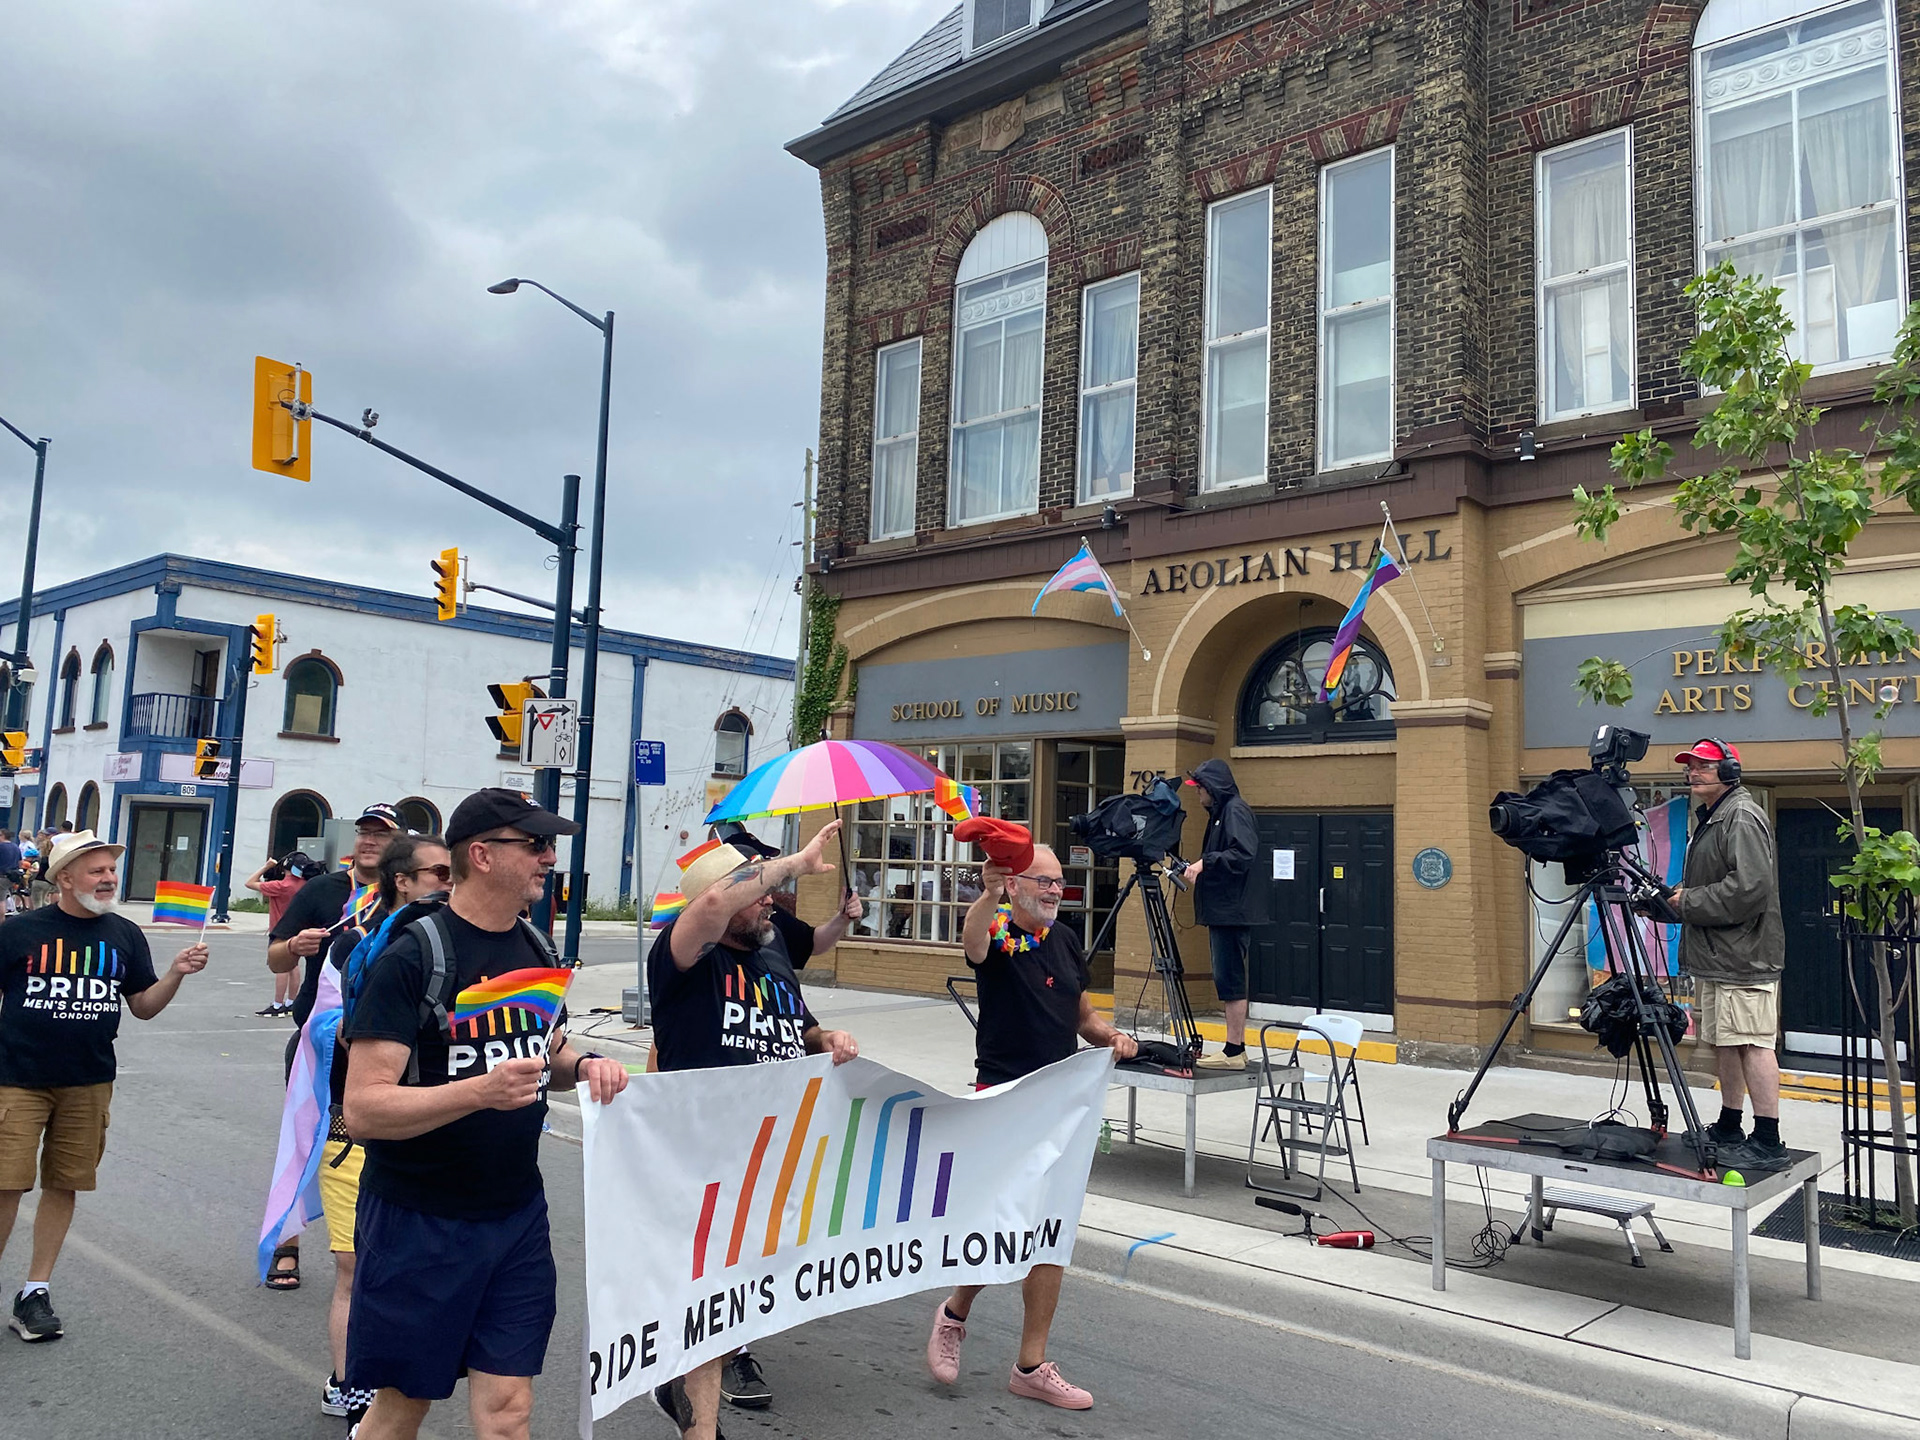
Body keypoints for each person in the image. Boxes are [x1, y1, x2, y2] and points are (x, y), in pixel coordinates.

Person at [341, 789, 626, 1440]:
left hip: (515, 1217)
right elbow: (364, 1109)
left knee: (509, 1411)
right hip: (419, 1221)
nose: (550, 858)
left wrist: (584, 1066)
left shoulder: (536, 949)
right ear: (482, 855)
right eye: (535, 845)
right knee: (401, 1410)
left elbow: (544, 1051)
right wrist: (479, 1092)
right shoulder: (414, 957)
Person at [647, 824, 861, 1440]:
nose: (770, 899)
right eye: (757, 890)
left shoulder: (771, 954)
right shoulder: (685, 957)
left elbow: (800, 1027)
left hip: (772, 1156)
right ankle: (698, 1419)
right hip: (704, 1159)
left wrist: (828, 1038)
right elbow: (716, 900)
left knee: (730, 1299)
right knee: (709, 1294)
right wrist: (794, 862)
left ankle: (680, 1384)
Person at [925, 842, 1136, 1410]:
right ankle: (954, 1314)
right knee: (999, 1222)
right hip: (1002, 1100)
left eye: (1059, 882)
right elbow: (972, 944)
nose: (1055, 891)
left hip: (1059, 1103)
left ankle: (1031, 1366)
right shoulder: (997, 932)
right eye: (1044, 881)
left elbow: (1081, 1014)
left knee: (1050, 1228)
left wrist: (1111, 1037)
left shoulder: (1064, 939)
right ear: (1015, 885)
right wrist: (987, 894)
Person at [0, 829, 208, 1341]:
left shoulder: (124, 935)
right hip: (17, 1078)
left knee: (64, 1183)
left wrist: (176, 973)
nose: (109, 878)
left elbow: (143, 1007)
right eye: (97, 870)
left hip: (89, 1081)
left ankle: (34, 1293)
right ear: (66, 879)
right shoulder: (19, 932)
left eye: (112, 869)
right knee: (5, 1184)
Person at [311, 833, 450, 1429]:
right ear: (403, 881)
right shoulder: (355, 945)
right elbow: (317, 1026)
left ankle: (374, 1387)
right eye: (439, 873)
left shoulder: (453, 947)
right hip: (354, 1134)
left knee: (403, 1279)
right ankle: (352, 1393)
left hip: (425, 1143)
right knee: (354, 1269)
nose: (450, 883)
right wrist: (362, 1028)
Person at [264, 805, 400, 1289]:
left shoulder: (405, 899)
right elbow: (274, 957)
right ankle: (286, 1242)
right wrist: (292, 948)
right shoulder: (322, 891)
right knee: (305, 1141)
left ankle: (372, 1244)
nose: (369, 841)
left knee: (377, 1143)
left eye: (381, 835)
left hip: (380, 1039)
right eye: (364, 832)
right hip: (317, 1043)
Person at [1671, 739, 1788, 1168]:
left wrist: (1688, 901)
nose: (1694, 772)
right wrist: (1674, 901)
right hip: (1719, 956)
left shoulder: (1740, 815)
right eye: (1690, 766)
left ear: (1730, 771)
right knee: (1725, 1041)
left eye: (1704, 766)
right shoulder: (1714, 817)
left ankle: (1768, 1140)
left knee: (1753, 1043)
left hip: (1744, 957)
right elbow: (1716, 885)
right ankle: (1729, 1123)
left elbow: (1750, 888)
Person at [1181, 760, 1259, 1070]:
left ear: (1213, 787)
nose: (1197, 793)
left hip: (1231, 911)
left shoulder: (1234, 811)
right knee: (1227, 977)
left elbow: (1243, 853)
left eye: (1200, 787)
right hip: (1224, 910)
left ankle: (1234, 1050)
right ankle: (1234, 1048)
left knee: (1230, 978)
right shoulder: (1221, 814)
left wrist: (1205, 862)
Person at [248, 855, 311, 1017]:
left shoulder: (281, 886)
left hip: (280, 930)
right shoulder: (304, 884)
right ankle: (291, 1002)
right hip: (297, 928)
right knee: (293, 966)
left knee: (281, 967)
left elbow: (250, 883)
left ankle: (277, 1005)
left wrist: (267, 866)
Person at [0, 830, 22, 915]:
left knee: (1, 900)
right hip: (12, 877)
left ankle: (1, 919)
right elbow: (20, 863)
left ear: (2, 836)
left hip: (2, 876)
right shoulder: (16, 847)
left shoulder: (1, 846)